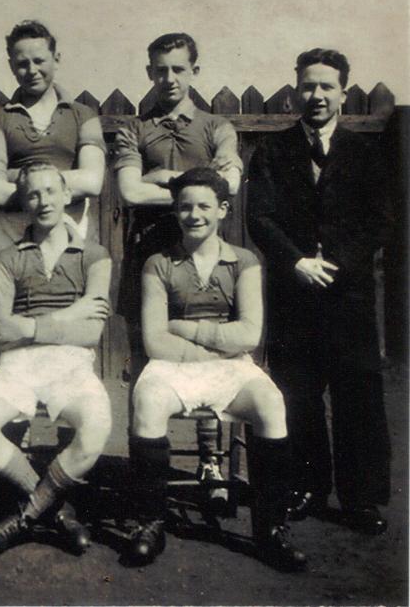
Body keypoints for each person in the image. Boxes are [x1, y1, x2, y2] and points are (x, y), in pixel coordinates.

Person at [126, 167, 306, 572]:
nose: (194, 215)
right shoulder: (158, 263)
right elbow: (155, 340)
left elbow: (249, 335)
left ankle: (271, 529)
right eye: (185, 207)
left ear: (223, 209)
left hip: (230, 367)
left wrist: (184, 328)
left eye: (204, 206)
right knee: (148, 399)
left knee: (270, 401)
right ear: (175, 211)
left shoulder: (245, 261)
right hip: (173, 366)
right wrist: (213, 344)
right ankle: (149, 523)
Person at [246, 49, 393, 534]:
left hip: (348, 295)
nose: (317, 96)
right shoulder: (272, 151)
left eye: (327, 87)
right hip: (293, 294)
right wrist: (296, 262)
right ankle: (306, 485)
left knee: (358, 393)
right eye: (309, 86)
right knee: (298, 394)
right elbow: (259, 218)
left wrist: (337, 263)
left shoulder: (365, 154)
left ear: (343, 94)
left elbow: (379, 221)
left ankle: (362, 499)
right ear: (295, 90)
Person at [113, 32, 243, 507]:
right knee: (147, 359)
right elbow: (128, 192)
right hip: (147, 257)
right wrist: (192, 188)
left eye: (178, 69)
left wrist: (161, 180)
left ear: (194, 71)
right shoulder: (134, 129)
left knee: (208, 353)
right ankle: (144, 460)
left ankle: (210, 461)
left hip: (204, 263)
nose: (169, 78)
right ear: (149, 72)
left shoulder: (216, 127)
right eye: (160, 69)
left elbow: (227, 183)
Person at [0, 162, 112, 556]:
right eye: (33, 194)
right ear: (23, 203)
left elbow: (91, 332)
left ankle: (23, 519)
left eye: (51, 191)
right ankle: (54, 508)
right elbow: (0, 336)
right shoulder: (6, 260)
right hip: (19, 365)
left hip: (73, 361)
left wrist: (28, 327)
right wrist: (70, 314)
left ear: (68, 196)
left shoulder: (95, 256)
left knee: (96, 427)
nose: (43, 201)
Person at [0, 19, 106, 278]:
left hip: (72, 226)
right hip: (11, 230)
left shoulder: (83, 115)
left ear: (56, 59)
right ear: (12, 66)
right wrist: (58, 186)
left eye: (39, 61)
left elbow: (92, 182)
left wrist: (18, 176)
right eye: (22, 64)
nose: (32, 70)